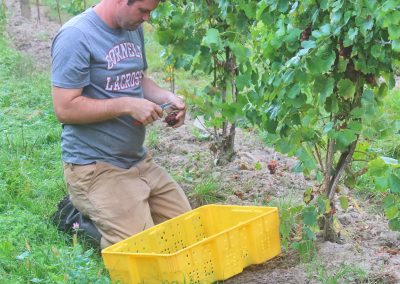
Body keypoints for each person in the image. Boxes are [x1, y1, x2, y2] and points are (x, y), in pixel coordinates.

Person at [51, 0, 191, 249]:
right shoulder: (76, 36)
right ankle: (77, 220)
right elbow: (65, 108)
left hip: (138, 161)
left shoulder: (131, 26)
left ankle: (121, 210)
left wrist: (166, 98)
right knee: (142, 250)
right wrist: (126, 104)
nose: (147, 18)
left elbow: (138, 78)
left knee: (189, 232)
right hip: (96, 167)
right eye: (143, 10)